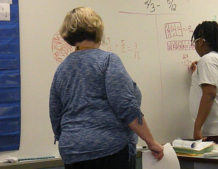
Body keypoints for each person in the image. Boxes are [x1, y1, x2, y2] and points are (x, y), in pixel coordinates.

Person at [49, 7, 163, 169]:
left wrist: (73, 138)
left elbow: (55, 113)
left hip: (72, 151)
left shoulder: (62, 69)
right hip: (108, 149)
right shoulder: (107, 61)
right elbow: (126, 105)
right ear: (97, 29)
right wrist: (151, 141)